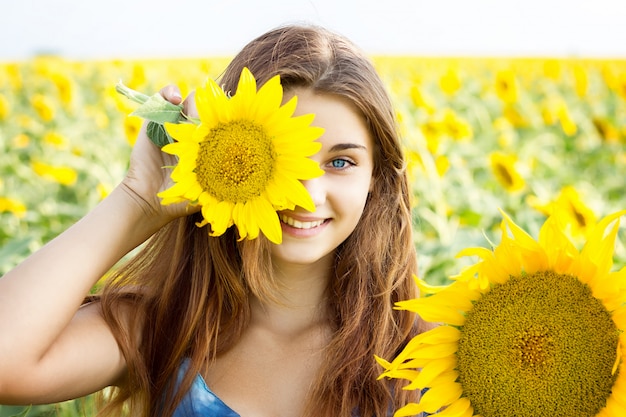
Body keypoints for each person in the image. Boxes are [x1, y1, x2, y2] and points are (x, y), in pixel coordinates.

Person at [0, 24, 428, 417]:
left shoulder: (431, 350)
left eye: (340, 161)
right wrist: (137, 198)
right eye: (280, 159)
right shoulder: (166, 326)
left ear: (376, 176)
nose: (307, 193)